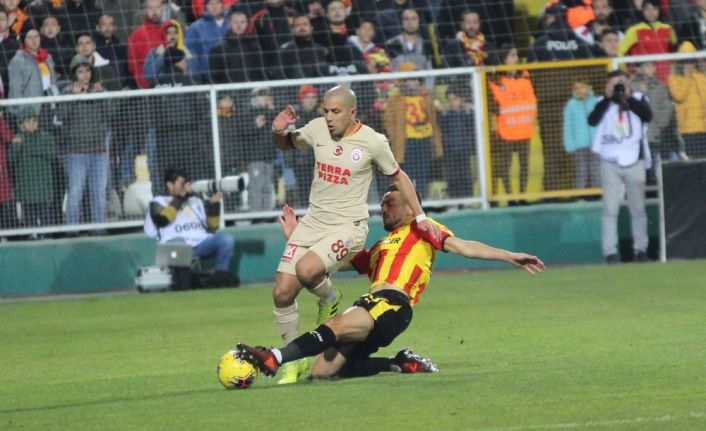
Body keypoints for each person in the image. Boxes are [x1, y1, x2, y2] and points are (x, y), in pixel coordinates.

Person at [237, 184, 544, 380]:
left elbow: (464, 247)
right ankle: (398, 363)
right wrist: (295, 237)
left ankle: (274, 356)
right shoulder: (378, 249)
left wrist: (509, 256)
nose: (384, 208)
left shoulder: (422, 228)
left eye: (391, 203)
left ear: (411, 206)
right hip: (372, 306)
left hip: (393, 304)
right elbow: (327, 262)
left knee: (339, 325)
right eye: (382, 204)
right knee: (324, 372)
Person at [268, 85, 441, 384]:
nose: (329, 117)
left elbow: (399, 176)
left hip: (347, 226)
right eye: (325, 110)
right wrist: (277, 130)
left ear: (352, 112)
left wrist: (422, 216)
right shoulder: (317, 129)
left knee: (307, 270)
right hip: (313, 222)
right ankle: (293, 364)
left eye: (335, 112)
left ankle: (329, 296)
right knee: (282, 292)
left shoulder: (373, 142)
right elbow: (287, 144)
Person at [589, 70, 652, 264]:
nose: (618, 88)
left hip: (634, 159)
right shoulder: (603, 103)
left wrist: (628, 98)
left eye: (621, 83)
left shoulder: (638, 98)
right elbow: (592, 120)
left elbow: (647, 116)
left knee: (638, 209)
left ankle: (641, 250)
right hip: (610, 161)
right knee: (610, 209)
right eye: (614, 84)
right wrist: (608, 99)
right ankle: (610, 253)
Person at [144, 167, 237, 282]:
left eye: (187, 183)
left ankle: (220, 277)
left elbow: (212, 228)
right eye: (182, 184)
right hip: (175, 245)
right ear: (170, 185)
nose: (186, 186)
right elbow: (162, 220)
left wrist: (214, 204)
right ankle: (184, 281)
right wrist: (181, 198)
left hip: (200, 243)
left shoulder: (195, 201)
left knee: (227, 240)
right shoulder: (158, 201)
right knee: (178, 243)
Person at [59, 59, 110, 228]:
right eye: (80, 71)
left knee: (99, 193)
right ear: (74, 73)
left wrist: (102, 96)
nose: (85, 75)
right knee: (75, 192)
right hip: (76, 152)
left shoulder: (98, 90)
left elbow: (110, 113)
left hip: (98, 151)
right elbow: (61, 116)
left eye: (87, 71)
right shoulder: (67, 92)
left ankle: (99, 229)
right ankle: (72, 229)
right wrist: (74, 96)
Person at [383, 62, 442, 200]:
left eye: (416, 79)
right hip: (407, 142)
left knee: (423, 173)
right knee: (407, 173)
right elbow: (388, 120)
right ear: (403, 82)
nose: (414, 82)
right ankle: (407, 202)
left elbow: (432, 117)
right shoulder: (395, 100)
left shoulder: (426, 97)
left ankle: (421, 201)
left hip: (425, 140)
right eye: (411, 79)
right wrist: (395, 137)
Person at [488, 44, 537, 200]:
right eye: (512, 55)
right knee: (505, 166)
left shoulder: (526, 76)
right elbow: (491, 104)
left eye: (516, 55)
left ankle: (522, 196)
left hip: (524, 130)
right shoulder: (494, 80)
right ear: (504, 59)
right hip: (506, 131)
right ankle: (510, 197)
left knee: (524, 165)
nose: (516, 58)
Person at [8, 107, 58, 231]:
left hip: (43, 188)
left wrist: (29, 148)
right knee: (30, 219)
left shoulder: (46, 136)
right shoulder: (18, 139)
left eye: (34, 120)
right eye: (28, 121)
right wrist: (18, 146)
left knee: (46, 220)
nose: (32, 124)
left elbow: (52, 154)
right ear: (22, 124)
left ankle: (46, 237)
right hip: (26, 189)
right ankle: (33, 235)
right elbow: (11, 159)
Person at [618, 0, 676, 82]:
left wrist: (673, 70)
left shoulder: (668, 29)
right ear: (642, 11)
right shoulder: (634, 31)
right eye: (647, 9)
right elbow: (620, 53)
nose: (651, 12)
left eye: (654, 9)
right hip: (643, 80)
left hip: (667, 78)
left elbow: (675, 52)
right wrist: (625, 72)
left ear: (659, 10)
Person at [668, 42, 706, 160]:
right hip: (688, 130)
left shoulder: (701, 76)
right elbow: (679, 96)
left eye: (691, 60)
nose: (689, 64)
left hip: (704, 127)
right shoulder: (674, 78)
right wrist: (687, 76)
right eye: (686, 61)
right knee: (695, 163)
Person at [563, 79, 599, 189]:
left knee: (596, 170)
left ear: (589, 88)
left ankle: (597, 193)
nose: (579, 90)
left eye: (582, 87)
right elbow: (568, 126)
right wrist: (570, 144)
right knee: (580, 171)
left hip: (595, 144)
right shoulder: (571, 105)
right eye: (576, 88)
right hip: (579, 145)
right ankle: (580, 194)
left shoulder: (596, 102)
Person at [184, 0, 228, 84]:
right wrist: (195, 77)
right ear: (205, 6)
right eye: (210, 3)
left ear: (222, 4)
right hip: (206, 77)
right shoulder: (195, 27)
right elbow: (189, 54)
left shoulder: (232, 23)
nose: (214, 6)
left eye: (217, 3)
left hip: (231, 74)